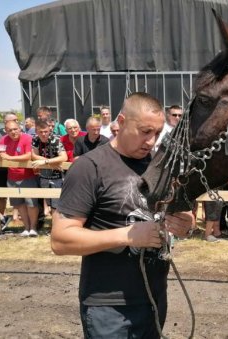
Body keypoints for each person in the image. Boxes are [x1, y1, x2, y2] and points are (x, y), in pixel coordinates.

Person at [51, 92, 194, 338]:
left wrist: (186, 224)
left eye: (157, 133)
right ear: (121, 122)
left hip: (154, 297)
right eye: (144, 131)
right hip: (108, 306)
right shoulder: (89, 167)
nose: (151, 141)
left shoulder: (159, 167)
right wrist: (128, 236)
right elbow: (60, 240)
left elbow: (184, 214)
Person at [0, 120, 39, 237]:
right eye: (10, 130)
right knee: (19, 204)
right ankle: (26, 227)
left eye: (15, 129)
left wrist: (9, 158)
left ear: (20, 128)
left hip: (28, 176)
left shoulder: (28, 138)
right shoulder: (4, 139)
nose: (13, 132)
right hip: (12, 177)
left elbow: (29, 156)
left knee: (31, 204)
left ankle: (33, 228)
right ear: (6, 131)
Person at [31, 120, 67, 230]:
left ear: (49, 130)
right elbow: (33, 155)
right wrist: (51, 162)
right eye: (41, 132)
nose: (44, 134)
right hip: (44, 176)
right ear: (37, 131)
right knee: (49, 203)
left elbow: (63, 157)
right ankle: (55, 224)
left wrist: (46, 162)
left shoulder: (55, 140)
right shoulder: (35, 139)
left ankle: (56, 227)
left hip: (57, 176)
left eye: (46, 131)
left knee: (56, 203)